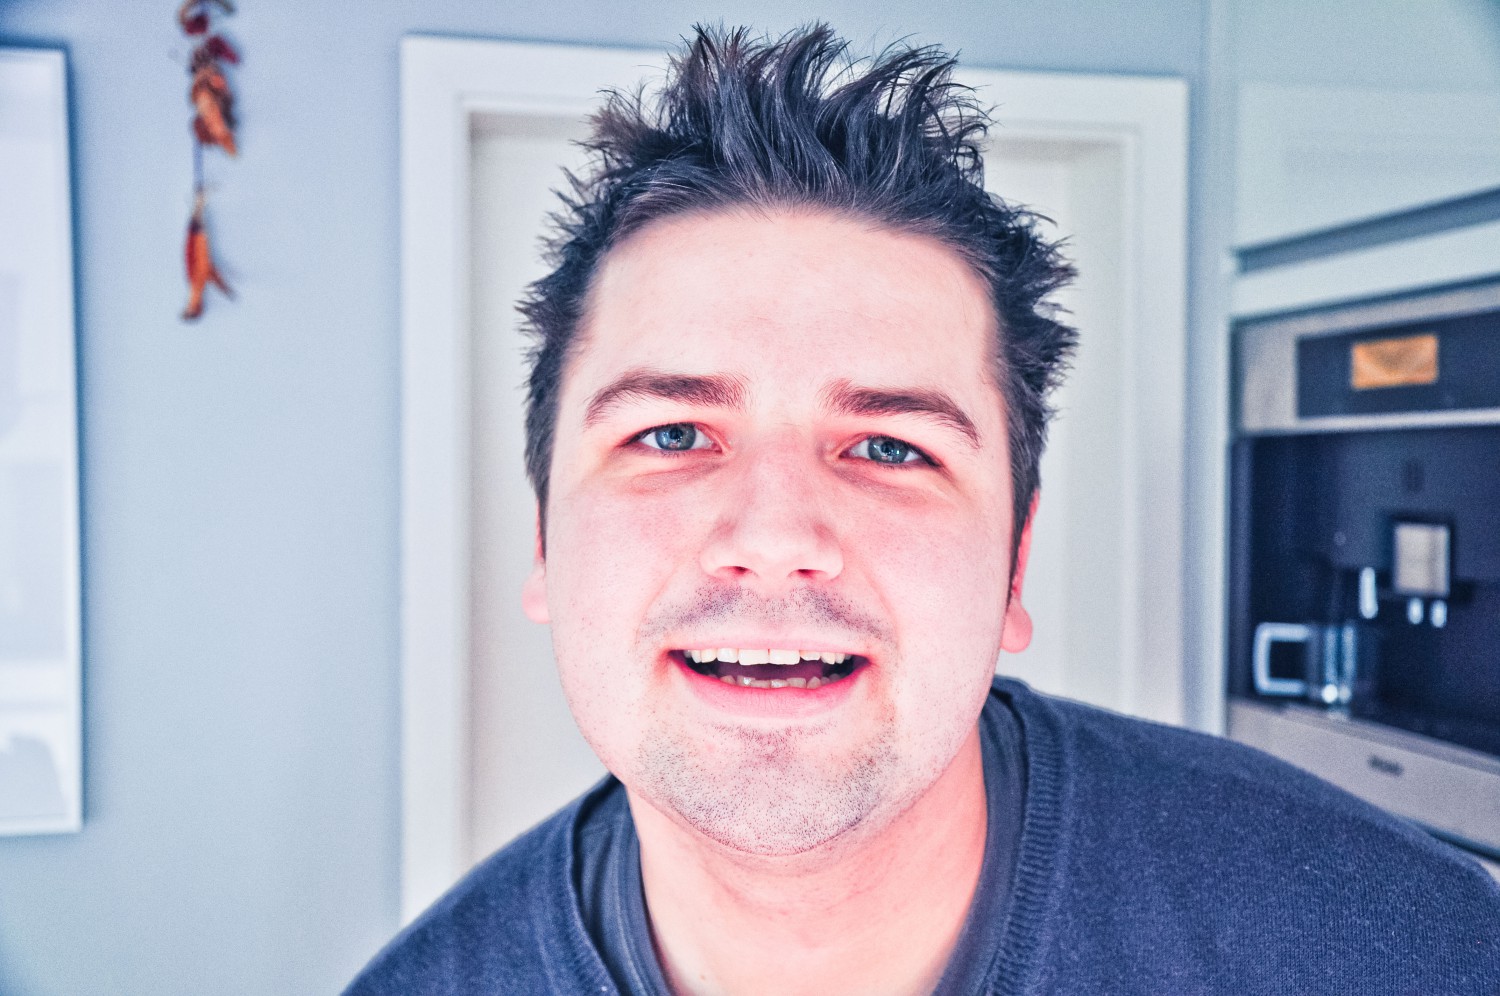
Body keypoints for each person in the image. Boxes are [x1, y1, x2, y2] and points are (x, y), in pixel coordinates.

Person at [346, 24, 1500, 996]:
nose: (775, 538)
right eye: (673, 435)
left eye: (891, 446)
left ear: (1015, 565)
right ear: (544, 540)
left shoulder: (1400, 949)